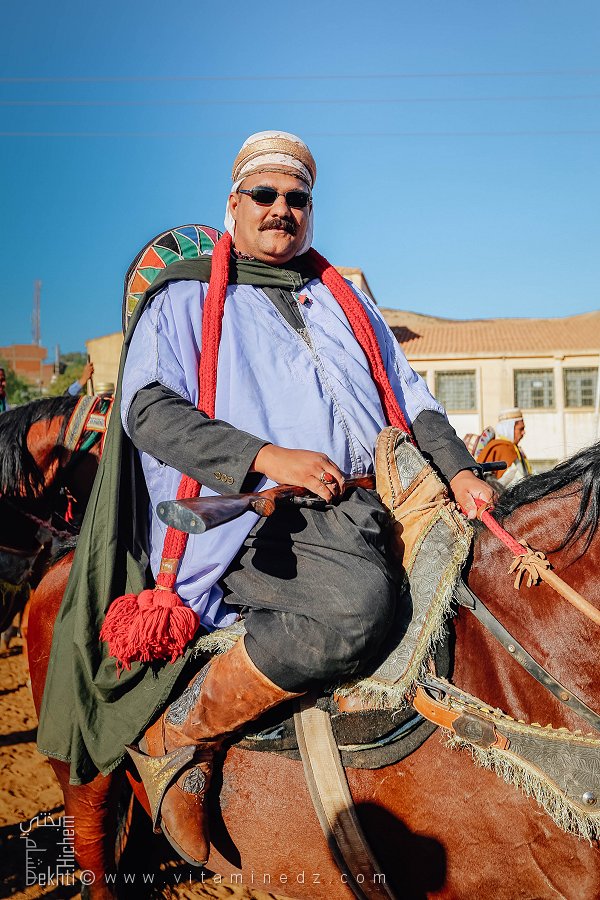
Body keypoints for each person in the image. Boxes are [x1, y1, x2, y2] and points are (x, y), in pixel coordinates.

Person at [37, 131, 494, 867]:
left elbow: (412, 399)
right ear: (234, 205)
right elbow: (148, 408)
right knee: (356, 608)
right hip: (252, 516)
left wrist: (464, 470)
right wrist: (263, 459)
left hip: (370, 500)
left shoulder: (344, 300)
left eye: (297, 198)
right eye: (266, 195)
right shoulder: (185, 296)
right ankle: (185, 731)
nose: (282, 209)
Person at [476, 407, 532, 489]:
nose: (523, 432)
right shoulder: (500, 447)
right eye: (521, 429)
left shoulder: (516, 449)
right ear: (509, 428)